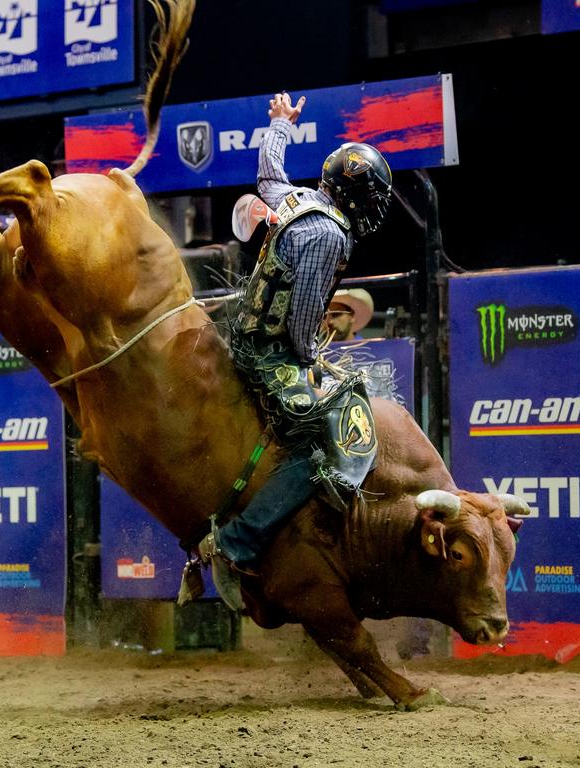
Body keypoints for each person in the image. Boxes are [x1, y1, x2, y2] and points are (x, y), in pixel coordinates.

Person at [202, 93, 393, 609]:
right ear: (358, 197)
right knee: (321, 446)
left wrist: (280, 125)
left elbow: (268, 176)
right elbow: (304, 323)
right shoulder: (329, 235)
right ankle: (239, 541)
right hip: (268, 353)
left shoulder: (300, 200)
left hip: (244, 329)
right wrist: (312, 365)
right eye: (373, 196)